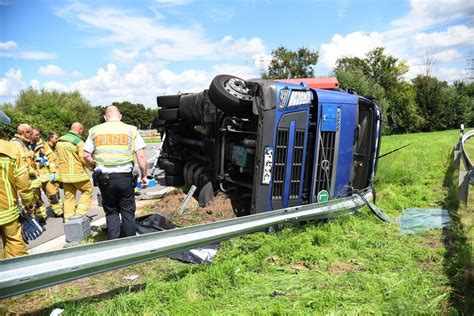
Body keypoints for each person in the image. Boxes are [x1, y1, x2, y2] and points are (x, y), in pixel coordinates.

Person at [83, 105, 148, 240]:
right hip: (125, 177)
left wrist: (96, 166)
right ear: (120, 116)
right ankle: (130, 243)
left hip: (104, 179)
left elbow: (85, 155)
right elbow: (141, 157)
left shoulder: (95, 131)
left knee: (111, 211)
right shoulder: (131, 130)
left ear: (105, 117)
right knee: (128, 211)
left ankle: (114, 244)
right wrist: (144, 176)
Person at [0, 111, 35, 258]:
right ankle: (20, 278)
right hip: (6, 210)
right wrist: (28, 203)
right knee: (14, 244)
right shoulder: (10, 148)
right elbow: (22, 180)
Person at [56, 122, 93, 221]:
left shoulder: (59, 141)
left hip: (64, 176)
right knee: (87, 191)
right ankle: (79, 216)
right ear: (80, 130)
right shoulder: (78, 142)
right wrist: (93, 168)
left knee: (69, 197)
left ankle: (68, 219)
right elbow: (84, 159)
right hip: (78, 175)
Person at [10, 124, 44, 224]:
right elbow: (22, 165)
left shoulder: (23, 143)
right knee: (29, 203)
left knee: (34, 201)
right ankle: (30, 222)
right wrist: (33, 172)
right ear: (25, 133)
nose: (32, 135)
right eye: (30, 133)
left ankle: (35, 221)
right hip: (26, 179)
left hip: (30, 179)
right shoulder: (17, 144)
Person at [30, 128, 63, 218]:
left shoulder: (43, 145)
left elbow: (51, 159)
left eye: (39, 134)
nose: (38, 136)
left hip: (45, 175)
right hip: (34, 177)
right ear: (30, 135)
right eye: (36, 135)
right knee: (37, 199)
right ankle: (41, 216)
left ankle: (58, 212)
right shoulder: (26, 147)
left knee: (53, 195)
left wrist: (53, 172)